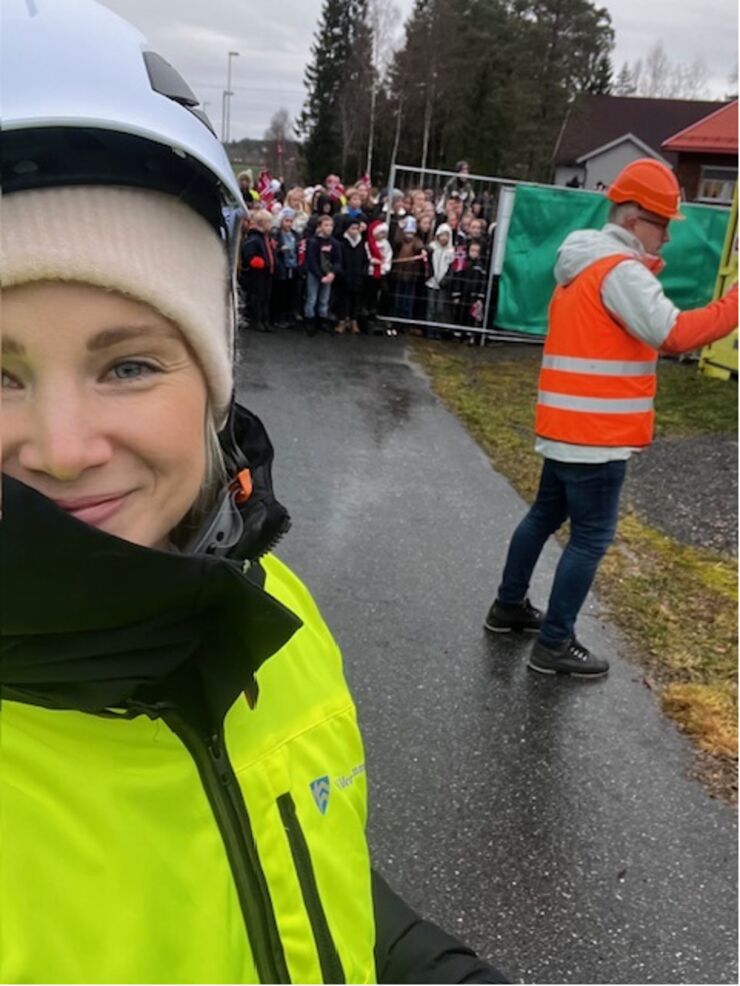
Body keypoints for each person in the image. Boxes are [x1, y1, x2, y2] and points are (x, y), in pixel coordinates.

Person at [1, 2, 508, 984]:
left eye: (129, 366)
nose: (63, 448)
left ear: (215, 379)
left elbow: (282, 860)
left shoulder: (276, 616)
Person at [484, 158, 739, 678]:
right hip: (596, 436)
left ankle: (508, 608)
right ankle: (554, 643)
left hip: (566, 427)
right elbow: (675, 333)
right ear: (633, 220)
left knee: (543, 518)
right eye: (663, 223)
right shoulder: (619, 270)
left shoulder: (583, 263)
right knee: (592, 537)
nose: (667, 237)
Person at [304, 213, 342, 335]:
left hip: (328, 274)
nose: (329, 228)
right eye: (326, 225)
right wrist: (321, 276)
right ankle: (310, 321)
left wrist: (332, 273)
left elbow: (338, 260)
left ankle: (323, 320)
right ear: (319, 227)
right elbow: (311, 261)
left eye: (331, 225)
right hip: (315, 274)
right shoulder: (313, 242)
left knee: (324, 299)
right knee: (312, 298)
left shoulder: (335, 243)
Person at [239, 209, 276, 333]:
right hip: (258, 273)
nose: (271, 226)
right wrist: (259, 262)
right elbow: (248, 255)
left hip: (267, 272)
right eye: (269, 223)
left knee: (266, 297)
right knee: (257, 297)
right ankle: (257, 320)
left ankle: (265, 320)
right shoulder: (254, 238)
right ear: (262, 223)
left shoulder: (266, 238)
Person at [335, 216, 366, 335]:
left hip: (358, 276)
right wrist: (342, 273)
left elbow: (364, 260)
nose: (355, 231)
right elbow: (339, 260)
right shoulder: (342, 243)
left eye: (357, 228)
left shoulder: (361, 243)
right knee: (344, 300)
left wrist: (363, 272)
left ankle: (354, 321)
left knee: (356, 300)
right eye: (352, 228)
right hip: (345, 276)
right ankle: (342, 321)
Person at [272, 207, 300, 328]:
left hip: (293, 267)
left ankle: (289, 315)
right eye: (286, 221)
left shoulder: (296, 235)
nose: (288, 224)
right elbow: (273, 249)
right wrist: (280, 250)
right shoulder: (277, 234)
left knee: (291, 293)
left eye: (290, 221)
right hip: (282, 266)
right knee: (280, 293)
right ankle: (278, 316)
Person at [425, 222, 455, 332]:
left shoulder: (451, 251)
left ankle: (437, 330)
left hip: (443, 283)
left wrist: (446, 279)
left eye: (446, 235)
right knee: (431, 307)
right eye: (441, 235)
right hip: (431, 282)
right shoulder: (432, 248)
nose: (444, 238)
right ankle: (429, 330)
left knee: (440, 308)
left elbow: (452, 267)